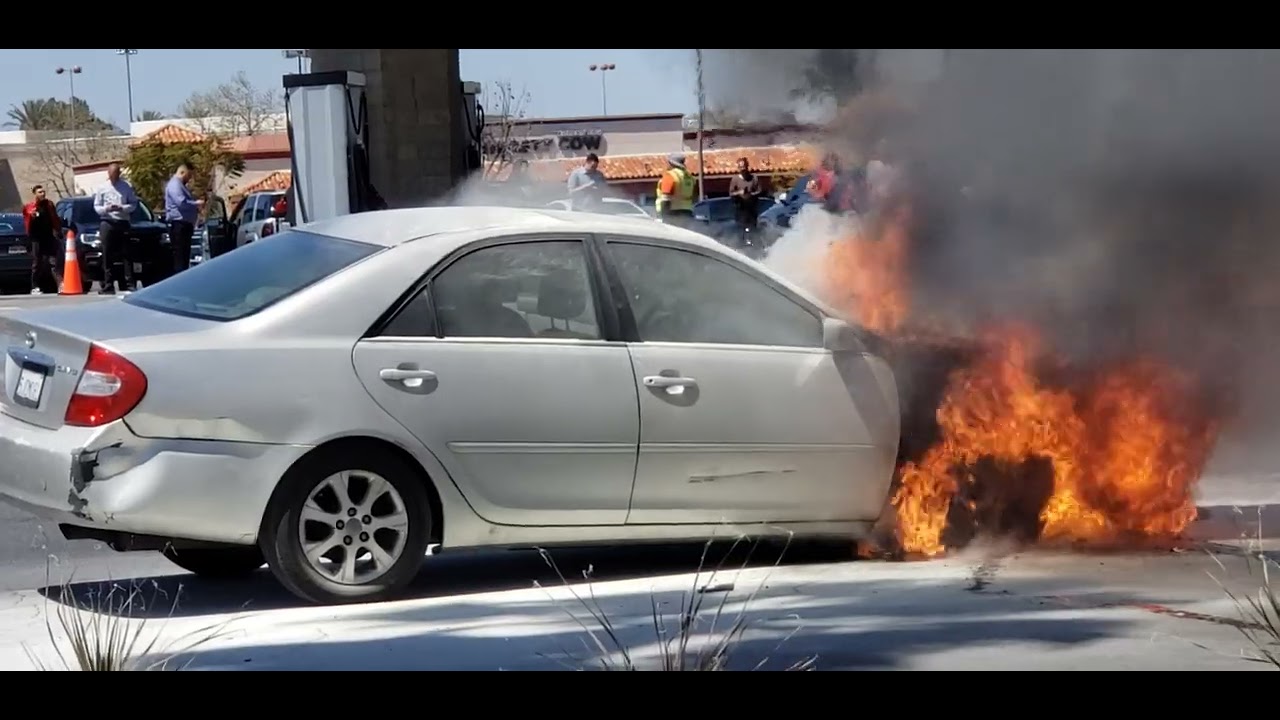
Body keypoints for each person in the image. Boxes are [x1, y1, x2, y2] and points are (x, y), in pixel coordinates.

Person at [92, 162, 140, 294]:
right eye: (111, 174)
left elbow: (133, 204)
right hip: (107, 222)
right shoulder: (102, 188)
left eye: (116, 174)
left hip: (122, 221)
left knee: (126, 254)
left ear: (119, 173)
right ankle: (108, 284)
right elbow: (97, 206)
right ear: (108, 173)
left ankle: (130, 283)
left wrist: (123, 208)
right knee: (107, 254)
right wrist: (106, 209)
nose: (114, 176)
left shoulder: (126, 187)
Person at [164, 163, 205, 276]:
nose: (190, 178)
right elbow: (180, 202)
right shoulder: (174, 185)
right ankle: (179, 277)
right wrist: (196, 204)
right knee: (180, 255)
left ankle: (184, 275)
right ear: (182, 172)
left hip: (185, 224)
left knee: (185, 253)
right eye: (189, 175)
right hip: (178, 224)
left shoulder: (182, 186)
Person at [21, 185, 61, 294]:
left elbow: (55, 218)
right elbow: (26, 216)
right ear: (35, 194)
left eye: (43, 192)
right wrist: (32, 215)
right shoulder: (31, 206)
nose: (42, 194)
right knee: (37, 263)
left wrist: (58, 230)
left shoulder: (49, 205)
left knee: (53, 261)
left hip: (48, 236)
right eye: (39, 192)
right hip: (36, 239)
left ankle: (60, 284)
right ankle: (34, 286)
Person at [654, 153, 696, 227]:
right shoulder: (689, 177)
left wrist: (665, 216)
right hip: (687, 212)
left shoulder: (670, 175)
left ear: (671, 163)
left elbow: (666, 198)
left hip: (672, 213)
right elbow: (694, 196)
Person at [728, 157, 762, 246]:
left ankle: (754, 246)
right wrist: (740, 192)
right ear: (738, 168)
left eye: (744, 166)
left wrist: (751, 194)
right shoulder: (735, 179)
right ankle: (741, 245)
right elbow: (731, 193)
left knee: (753, 230)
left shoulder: (754, 178)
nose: (743, 169)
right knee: (741, 230)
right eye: (740, 167)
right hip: (740, 210)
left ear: (747, 166)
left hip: (752, 210)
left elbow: (759, 191)